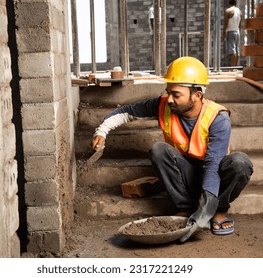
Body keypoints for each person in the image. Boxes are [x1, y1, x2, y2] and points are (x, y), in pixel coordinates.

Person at [91, 56, 253, 243]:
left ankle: (219, 211)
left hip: (214, 177)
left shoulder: (218, 118)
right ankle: (184, 207)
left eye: (176, 95)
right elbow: (127, 111)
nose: (169, 99)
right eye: (168, 92)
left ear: (197, 95)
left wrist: (205, 212)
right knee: (159, 149)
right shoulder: (163, 105)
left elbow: (213, 165)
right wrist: (102, 131)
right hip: (187, 175)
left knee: (240, 163)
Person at [223, 0, 242, 67]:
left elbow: (225, 23)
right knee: (237, 50)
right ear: (236, 3)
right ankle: (235, 67)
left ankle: (233, 67)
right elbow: (240, 24)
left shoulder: (228, 11)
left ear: (229, 3)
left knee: (232, 49)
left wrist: (223, 34)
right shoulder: (239, 11)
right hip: (237, 31)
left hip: (230, 31)